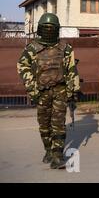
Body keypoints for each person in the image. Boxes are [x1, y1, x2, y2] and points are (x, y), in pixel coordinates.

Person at [17, 13, 80, 169]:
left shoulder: (66, 48)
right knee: (44, 125)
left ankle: (57, 155)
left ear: (57, 29)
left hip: (61, 90)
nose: (49, 30)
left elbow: (72, 69)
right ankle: (48, 150)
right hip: (41, 92)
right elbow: (22, 67)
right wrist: (32, 88)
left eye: (52, 28)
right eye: (46, 28)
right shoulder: (32, 48)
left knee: (58, 124)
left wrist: (73, 91)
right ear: (40, 29)